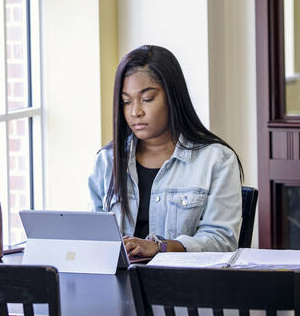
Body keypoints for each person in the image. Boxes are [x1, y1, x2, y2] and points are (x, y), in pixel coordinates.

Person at [88, 45, 243, 258]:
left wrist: (160, 247)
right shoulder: (107, 161)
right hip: (117, 283)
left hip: (183, 284)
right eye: (126, 102)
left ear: (172, 97)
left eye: (148, 99)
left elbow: (222, 241)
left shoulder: (217, 160)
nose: (135, 112)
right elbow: (92, 235)